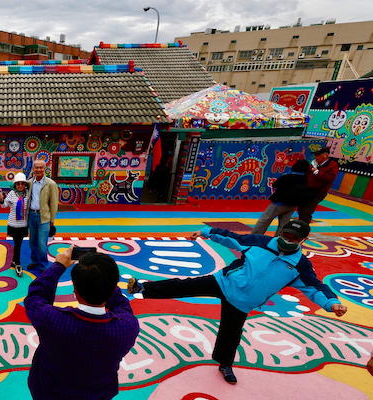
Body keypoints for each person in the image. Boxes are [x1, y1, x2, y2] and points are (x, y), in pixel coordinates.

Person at [128, 220, 347, 384]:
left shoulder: (300, 265)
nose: (288, 239)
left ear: (302, 240)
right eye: (286, 234)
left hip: (242, 302)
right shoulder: (260, 242)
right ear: (281, 232)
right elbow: (232, 237)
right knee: (185, 286)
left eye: (294, 238)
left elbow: (315, 286)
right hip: (223, 282)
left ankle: (225, 364)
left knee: (231, 333)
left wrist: (331, 303)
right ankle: (142, 287)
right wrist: (207, 232)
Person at [26, 246, 139, 399]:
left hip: (49, 392)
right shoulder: (127, 327)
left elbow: (36, 296)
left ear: (75, 292)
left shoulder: (52, 321)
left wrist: (58, 265)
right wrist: (102, 273)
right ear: (113, 287)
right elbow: (121, 305)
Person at [251, 159, 313, 236]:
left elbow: (275, 185)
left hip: (279, 203)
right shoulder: (305, 179)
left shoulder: (287, 177)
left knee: (265, 220)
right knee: (284, 224)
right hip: (292, 205)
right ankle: (279, 239)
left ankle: (254, 236)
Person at [25, 159, 59, 271]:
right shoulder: (29, 183)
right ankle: (35, 261)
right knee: (32, 241)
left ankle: (43, 265)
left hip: (44, 217)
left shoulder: (51, 184)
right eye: (36, 167)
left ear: (45, 169)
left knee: (41, 243)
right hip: (31, 215)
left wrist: (52, 220)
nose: (39, 169)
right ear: (33, 169)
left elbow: (54, 203)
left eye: (41, 167)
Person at [0, 172, 29, 277]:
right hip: (13, 225)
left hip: (23, 225)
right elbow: (4, 205)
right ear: (15, 184)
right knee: (18, 243)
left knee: (18, 243)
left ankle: (15, 261)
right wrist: (1, 199)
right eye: (18, 183)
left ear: (25, 185)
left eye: (22, 184)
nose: (20, 186)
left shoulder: (29, 194)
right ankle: (17, 263)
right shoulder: (11, 193)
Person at [298, 147, 339, 224]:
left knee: (307, 211)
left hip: (318, 192)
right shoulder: (314, 163)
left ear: (325, 155)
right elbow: (307, 175)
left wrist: (316, 171)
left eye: (317, 155)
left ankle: (303, 229)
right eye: (315, 155)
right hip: (307, 189)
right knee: (301, 209)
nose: (315, 157)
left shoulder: (332, 165)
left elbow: (329, 178)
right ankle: (299, 226)